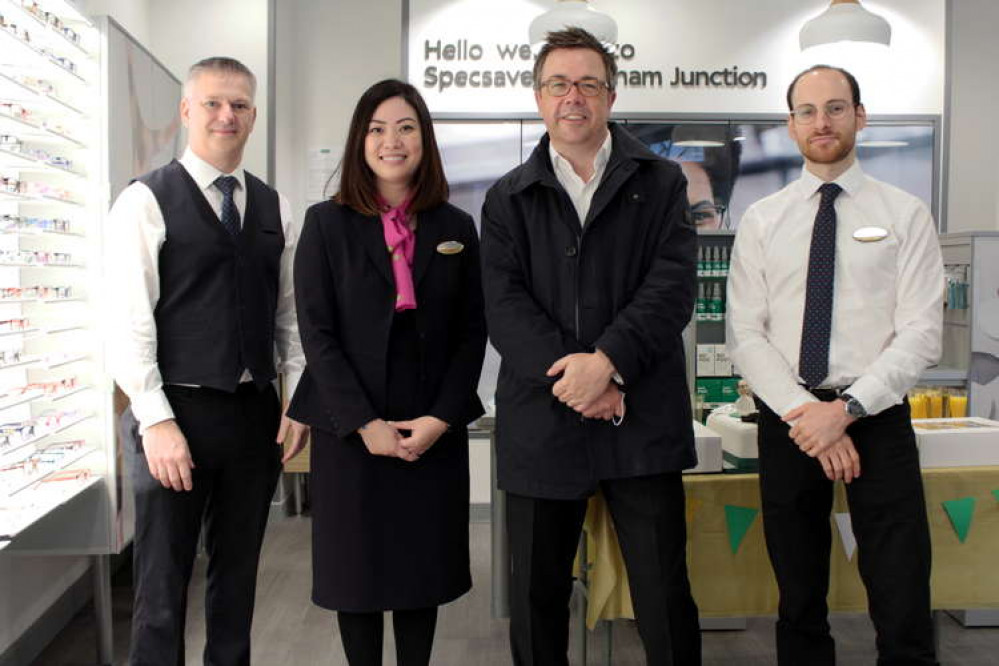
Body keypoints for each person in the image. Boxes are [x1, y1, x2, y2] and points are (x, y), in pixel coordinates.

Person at [480, 27, 701, 666]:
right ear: (538, 96)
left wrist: (607, 367)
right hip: (542, 425)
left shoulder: (660, 183)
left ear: (610, 94)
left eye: (587, 84)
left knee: (663, 593)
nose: (572, 97)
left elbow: (670, 288)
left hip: (641, 419)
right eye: (558, 84)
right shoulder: (506, 198)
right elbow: (506, 308)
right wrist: (576, 383)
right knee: (536, 598)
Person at [726, 64, 943, 666]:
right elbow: (746, 334)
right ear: (790, 126)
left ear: (860, 117)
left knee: (901, 587)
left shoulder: (906, 214)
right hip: (789, 418)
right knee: (798, 591)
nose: (822, 121)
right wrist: (810, 416)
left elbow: (922, 332)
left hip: (876, 416)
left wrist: (845, 411)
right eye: (808, 111)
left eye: (836, 108)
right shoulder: (764, 220)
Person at [106, 56, 308, 666]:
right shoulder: (144, 202)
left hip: (253, 418)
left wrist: (295, 401)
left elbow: (290, 321)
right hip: (174, 415)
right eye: (215, 103)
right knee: (162, 590)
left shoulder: (277, 208)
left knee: (237, 581)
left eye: (240, 105)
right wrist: (156, 421)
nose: (228, 115)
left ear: (253, 116)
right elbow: (127, 326)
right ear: (187, 111)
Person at [287, 79, 486, 666]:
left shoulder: (455, 227)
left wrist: (442, 418)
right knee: (359, 577)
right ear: (359, 141)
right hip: (351, 431)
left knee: (421, 574)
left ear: (424, 139)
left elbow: (473, 331)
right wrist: (363, 423)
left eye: (405, 128)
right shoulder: (326, 224)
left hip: (430, 427)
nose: (391, 141)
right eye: (377, 129)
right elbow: (316, 333)